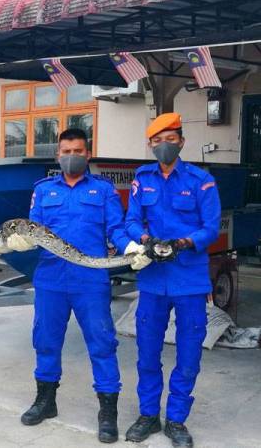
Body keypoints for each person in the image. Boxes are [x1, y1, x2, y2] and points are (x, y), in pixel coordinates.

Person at [6, 128, 150, 443]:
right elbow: (33, 231)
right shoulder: (43, 190)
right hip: (51, 279)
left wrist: (129, 248)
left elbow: (115, 228)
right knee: (45, 340)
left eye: (78, 151)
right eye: (66, 151)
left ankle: (107, 412)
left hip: (90, 280)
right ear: (58, 155)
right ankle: (45, 401)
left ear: (88, 154)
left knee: (102, 343)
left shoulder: (103, 190)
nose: (72, 156)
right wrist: (17, 242)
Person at [124, 113, 220, 448]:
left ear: (181, 141)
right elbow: (131, 219)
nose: (164, 145)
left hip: (190, 279)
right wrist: (144, 238)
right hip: (152, 279)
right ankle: (149, 414)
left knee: (189, 352)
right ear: (150, 144)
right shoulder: (142, 178)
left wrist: (183, 243)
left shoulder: (201, 180)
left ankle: (176, 419)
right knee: (147, 351)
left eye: (170, 139)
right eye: (157, 140)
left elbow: (211, 227)